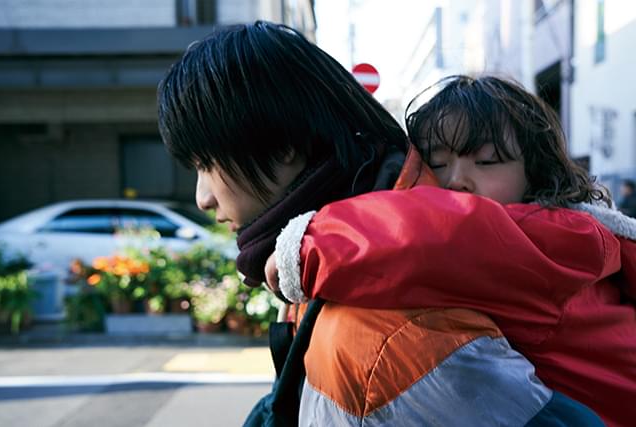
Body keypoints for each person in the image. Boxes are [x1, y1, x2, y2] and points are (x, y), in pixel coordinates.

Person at [157, 24, 604, 426]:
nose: (202, 197)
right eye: (439, 161)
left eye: (207, 163)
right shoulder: (330, 265)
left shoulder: (383, 327)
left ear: (283, 145)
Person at [268, 75, 636, 427]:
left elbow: (432, 237)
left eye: (487, 161)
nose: (456, 180)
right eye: (437, 163)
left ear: (536, 173)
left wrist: (308, 245)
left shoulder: (554, 240)